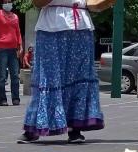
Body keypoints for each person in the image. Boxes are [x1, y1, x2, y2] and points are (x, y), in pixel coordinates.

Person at [20, 0, 106, 143]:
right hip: (52, 25)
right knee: (49, 74)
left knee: (80, 75)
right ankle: (34, 127)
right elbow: (38, 2)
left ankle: (75, 128)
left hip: (81, 25)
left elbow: (93, 4)